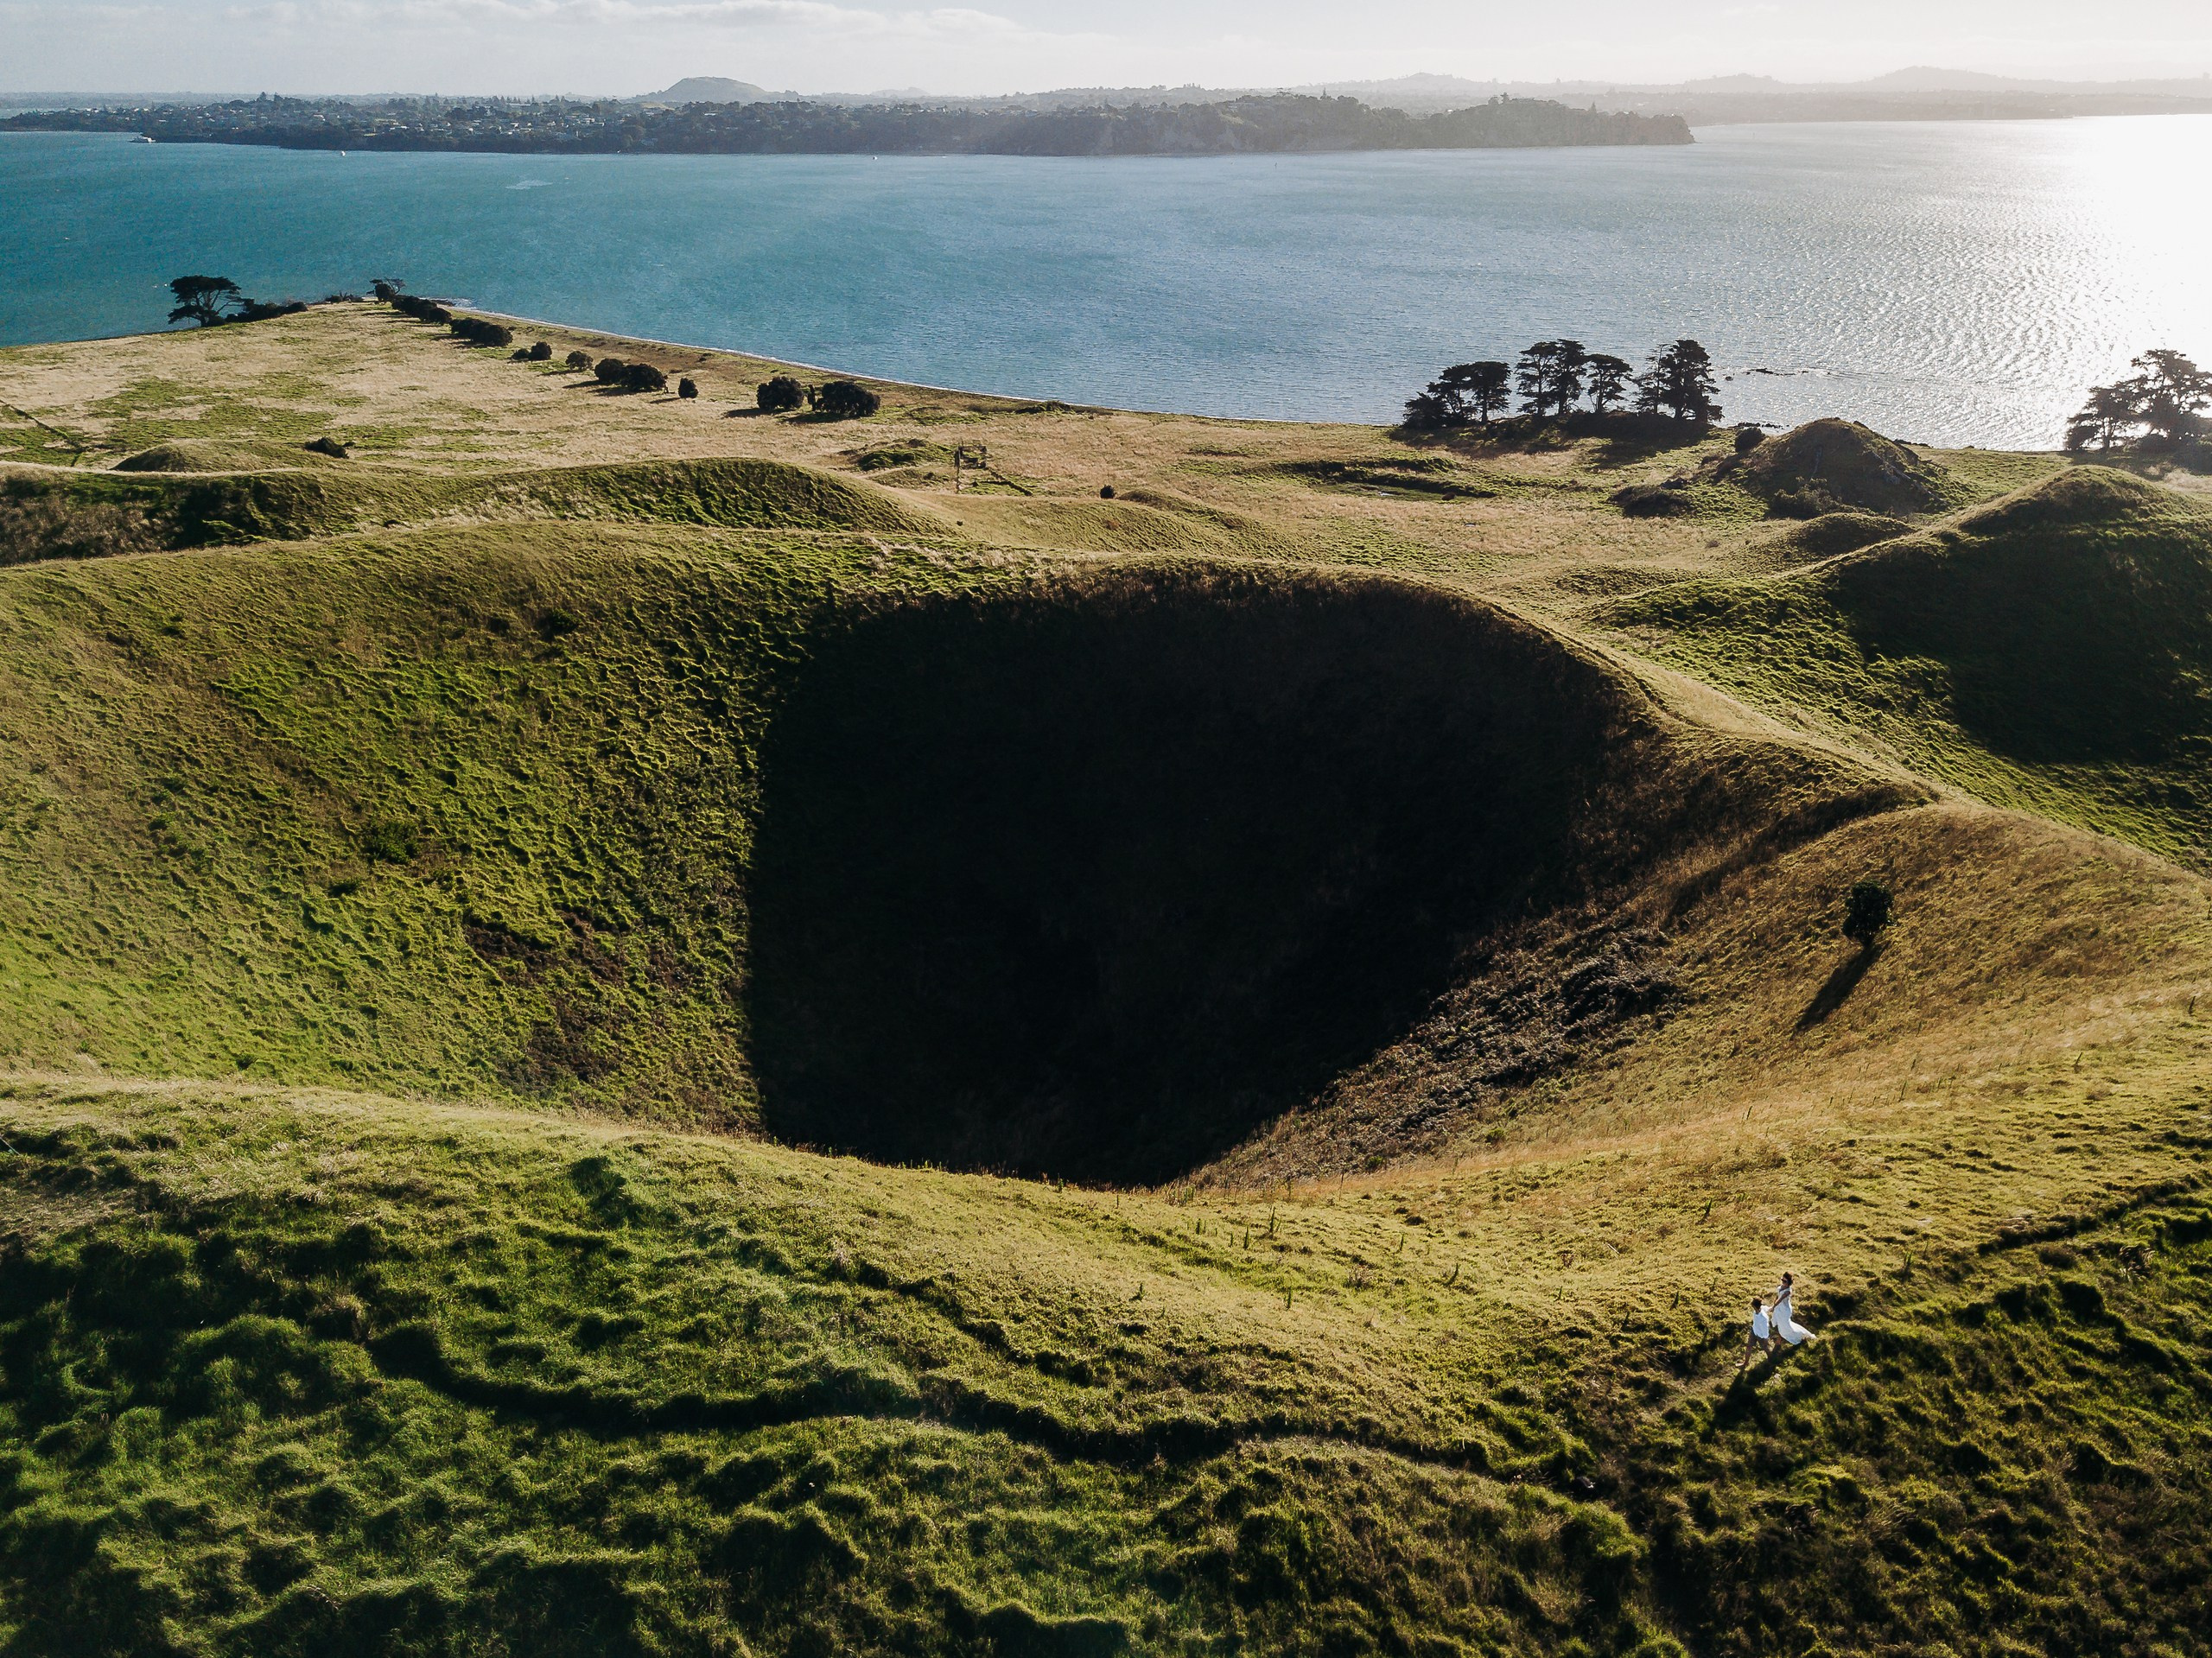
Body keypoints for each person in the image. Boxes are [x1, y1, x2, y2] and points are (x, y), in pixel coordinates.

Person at [1769, 1271, 1815, 1346]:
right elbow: (1777, 1296)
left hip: (1784, 1310)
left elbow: (1780, 1300)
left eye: (1784, 1281)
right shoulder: (1782, 1286)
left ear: (1789, 1282)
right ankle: (1781, 1337)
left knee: (1786, 1326)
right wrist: (1774, 1304)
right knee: (1782, 1325)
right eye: (1782, 1280)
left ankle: (1799, 1335)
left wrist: (1773, 1307)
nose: (1783, 1282)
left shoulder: (1788, 1291)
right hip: (1779, 1308)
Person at [1738, 1294, 1773, 1372]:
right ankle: (1745, 1363)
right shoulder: (1760, 1309)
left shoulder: (1763, 1317)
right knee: (1749, 1346)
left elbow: (1765, 1329)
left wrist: (1765, 1339)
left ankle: (1771, 1360)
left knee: (1765, 1348)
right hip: (1754, 1331)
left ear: (1754, 1306)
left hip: (1761, 1335)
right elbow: (1768, 1308)